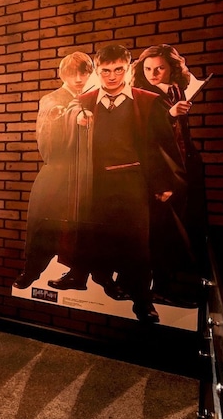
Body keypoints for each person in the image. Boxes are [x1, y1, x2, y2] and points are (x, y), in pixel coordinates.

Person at [47, 44, 185, 323]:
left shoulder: (146, 101)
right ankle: (80, 276)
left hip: (132, 183)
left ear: (128, 69)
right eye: (106, 71)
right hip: (94, 182)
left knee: (136, 244)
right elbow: (63, 127)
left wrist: (164, 183)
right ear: (98, 71)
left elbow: (162, 145)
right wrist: (77, 119)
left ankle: (143, 301)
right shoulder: (84, 101)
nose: (112, 76)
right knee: (87, 233)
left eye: (118, 70)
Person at [131, 45, 206, 306]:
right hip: (160, 175)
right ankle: (159, 290)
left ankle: (165, 287)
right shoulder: (142, 96)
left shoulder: (175, 90)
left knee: (176, 232)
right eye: (147, 69)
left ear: (171, 69)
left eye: (159, 68)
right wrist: (160, 183)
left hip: (180, 171)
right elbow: (146, 142)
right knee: (162, 234)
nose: (153, 74)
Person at [13, 52, 94, 289]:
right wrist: (72, 117)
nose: (78, 79)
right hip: (59, 168)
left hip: (87, 171)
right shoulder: (51, 99)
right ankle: (31, 270)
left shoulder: (95, 97)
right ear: (63, 75)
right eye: (72, 74)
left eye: (83, 73)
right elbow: (47, 133)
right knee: (42, 222)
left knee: (84, 226)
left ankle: (81, 275)